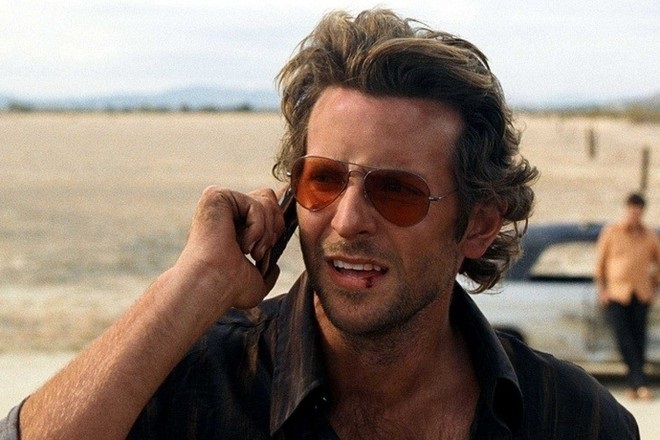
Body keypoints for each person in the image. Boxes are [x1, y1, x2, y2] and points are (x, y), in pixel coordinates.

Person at [1, 8, 639, 440]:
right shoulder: (197, 384)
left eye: (397, 191)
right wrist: (194, 283)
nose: (349, 219)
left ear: (478, 225)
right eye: (324, 180)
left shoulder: (571, 418)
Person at [595, 192, 660, 401]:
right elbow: (600, 263)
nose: (634, 215)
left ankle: (635, 385)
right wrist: (602, 290)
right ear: (627, 210)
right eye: (632, 211)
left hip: (641, 293)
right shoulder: (612, 232)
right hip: (616, 293)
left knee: (638, 338)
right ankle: (639, 382)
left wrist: (654, 287)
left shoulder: (649, 236)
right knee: (624, 338)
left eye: (638, 212)